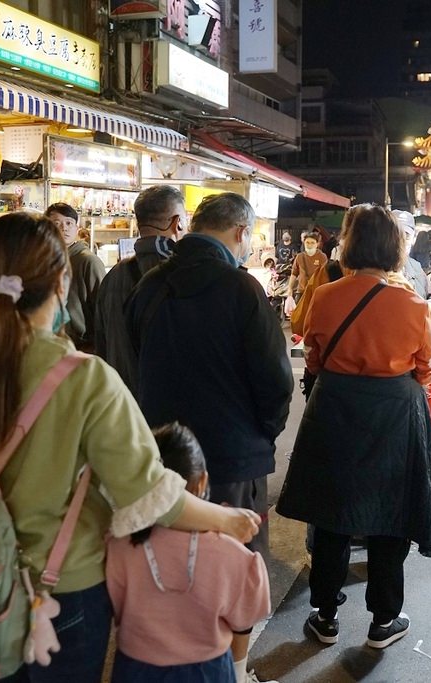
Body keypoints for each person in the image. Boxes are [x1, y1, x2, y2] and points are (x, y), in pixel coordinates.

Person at [0, 212, 260, 682]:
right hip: (65, 591)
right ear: (61, 281)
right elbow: (150, 498)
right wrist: (229, 519)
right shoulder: (84, 377)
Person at [277, 204, 431, 651]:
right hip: (393, 415)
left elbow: (313, 356)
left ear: (348, 244)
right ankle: (383, 621)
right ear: (394, 247)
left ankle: (325, 615)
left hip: (336, 409)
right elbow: (425, 370)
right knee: (391, 514)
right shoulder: (412, 303)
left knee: (333, 511)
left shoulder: (326, 295)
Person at [125, 193, 294, 554]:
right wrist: (261, 435)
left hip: (165, 460)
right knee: (235, 572)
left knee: (170, 566)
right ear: (241, 232)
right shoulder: (243, 288)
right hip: (234, 459)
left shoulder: (149, 286)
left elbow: (136, 358)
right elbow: (276, 380)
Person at [106, 423, 272, 683]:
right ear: (202, 481)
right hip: (208, 670)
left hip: (135, 668)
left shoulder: (119, 545)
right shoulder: (228, 550)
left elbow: (112, 605)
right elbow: (249, 614)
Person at [94, 185, 185, 394]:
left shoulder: (113, 276)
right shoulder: (182, 274)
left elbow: (101, 344)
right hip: (168, 408)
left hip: (121, 404)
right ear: (177, 223)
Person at [46, 202, 106, 353]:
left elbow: (102, 307)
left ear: (77, 229)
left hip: (82, 346)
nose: (64, 228)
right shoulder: (46, 260)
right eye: (57, 223)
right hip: (54, 344)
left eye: (69, 223)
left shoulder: (88, 261)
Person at [392, 210, 431, 300]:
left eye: (406, 236)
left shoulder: (416, 268)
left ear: (413, 237)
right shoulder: (378, 270)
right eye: (396, 235)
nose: (401, 241)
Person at [291, 233, 328, 298]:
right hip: (302, 292)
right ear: (304, 243)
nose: (309, 245)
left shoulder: (322, 257)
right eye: (307, 242)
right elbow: (294, 274)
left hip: (317, 292)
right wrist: (290, 289)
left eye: (312, 243)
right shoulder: (299, 257)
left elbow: (325, 275)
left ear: (317, 244)